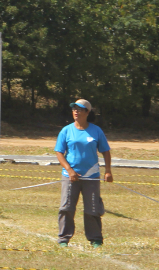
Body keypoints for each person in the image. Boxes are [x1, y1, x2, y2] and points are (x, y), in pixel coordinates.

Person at [54, 99, 112, 248]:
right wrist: (69, 170)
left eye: (79, 109)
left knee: (92, 208)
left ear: (87, 112)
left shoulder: (96, 131)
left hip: (91, 176)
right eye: (74, 109)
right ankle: (64, 239)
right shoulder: (66, 130)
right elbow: (59, 152)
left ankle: (95, 239)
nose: (76, 111)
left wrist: (108, 171)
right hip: (70, 176)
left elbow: (105, 151)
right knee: (66, 208)